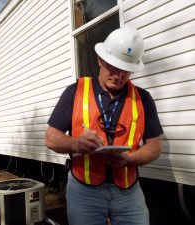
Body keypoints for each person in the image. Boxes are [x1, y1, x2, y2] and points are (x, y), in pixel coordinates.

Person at [45, 26, 163, 225]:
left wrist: (129, 158)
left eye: (126, 70)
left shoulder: (143, 98)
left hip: (129, 191)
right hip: (84, 191)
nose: (119, 75)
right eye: (113, 67)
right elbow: (51, 138)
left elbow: (155, 147)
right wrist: (76, 144)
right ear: (100, 60)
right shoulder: (75, 92)